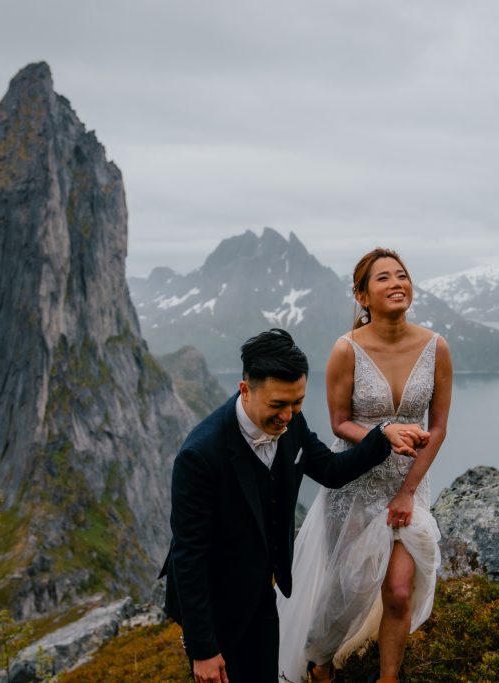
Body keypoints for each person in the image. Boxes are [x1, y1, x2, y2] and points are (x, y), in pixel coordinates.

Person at [160, 328, 431, 683]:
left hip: (261, 593)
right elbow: (188, 556)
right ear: (245, 390)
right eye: (277, 405)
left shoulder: (292, 422)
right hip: (215, 603)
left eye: (297, 402)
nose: (288, 415)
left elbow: (332, 471)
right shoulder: (200, 455)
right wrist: (204, 649)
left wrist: (382, 435)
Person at [278, 248, 453, 683]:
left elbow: (440, 426)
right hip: (356, 482)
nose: (397, 283)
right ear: (362, 296)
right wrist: (384, 433)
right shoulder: (347, 350)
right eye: (383, 279)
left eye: (402, 275)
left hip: (409, 485)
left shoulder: (436, 347)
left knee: (397, 592)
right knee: (349, 590)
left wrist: (409, 490)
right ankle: (319, 660)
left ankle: (387, 678)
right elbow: (339, 423)